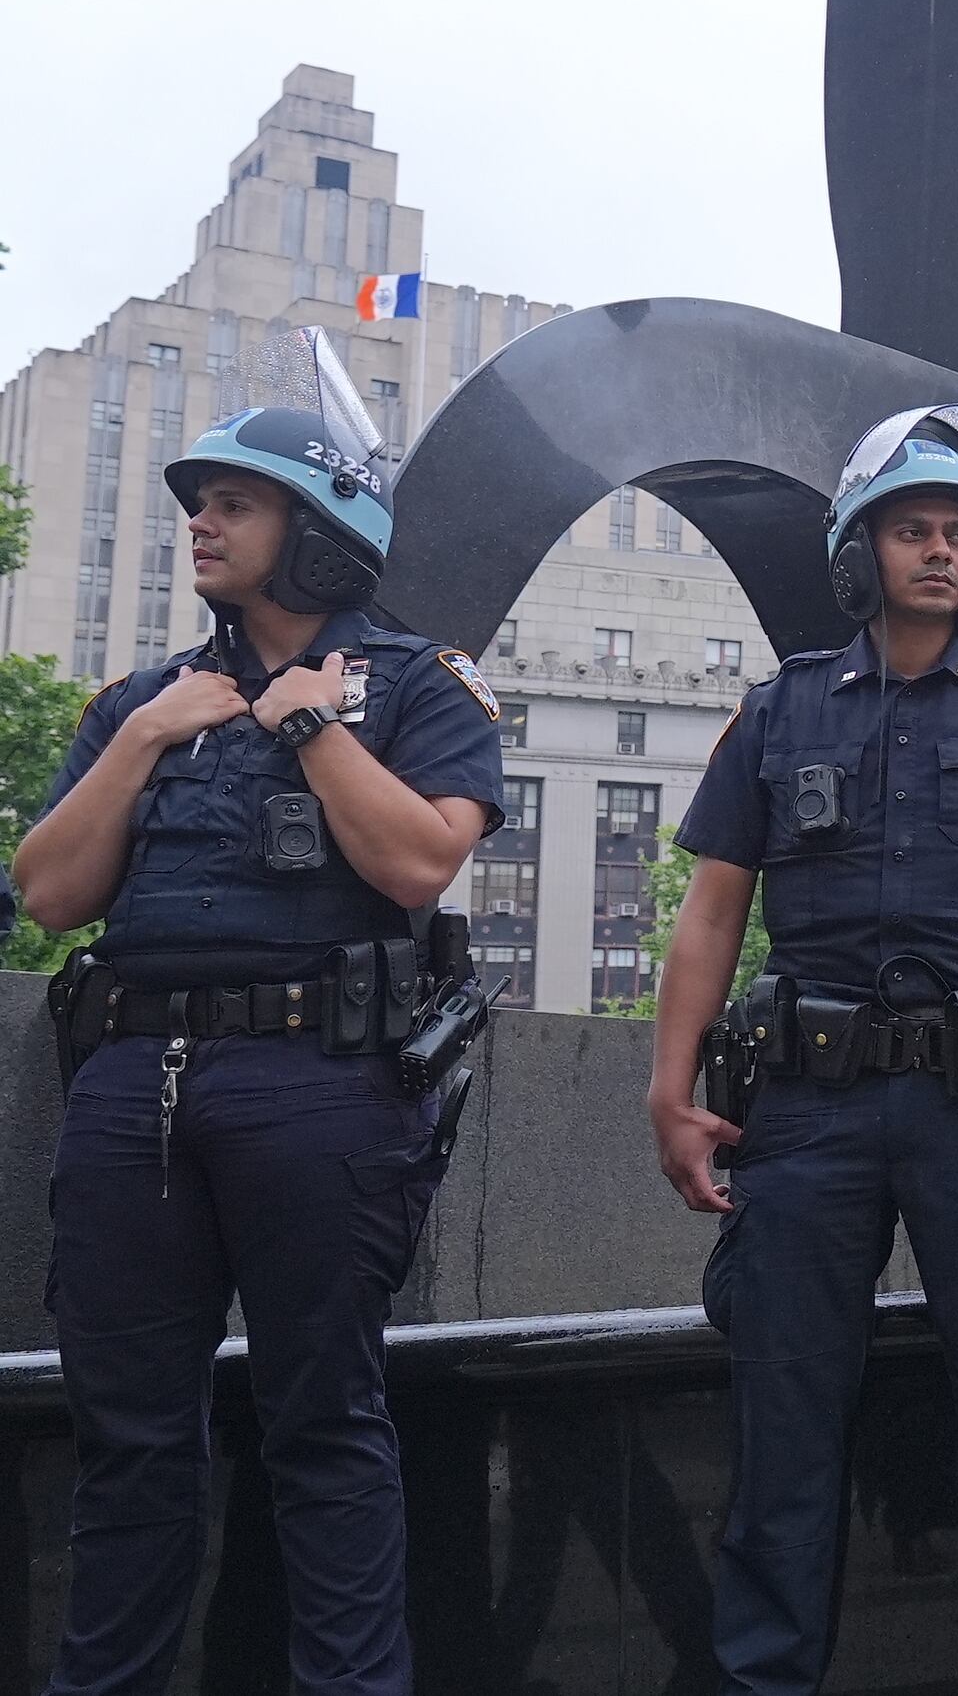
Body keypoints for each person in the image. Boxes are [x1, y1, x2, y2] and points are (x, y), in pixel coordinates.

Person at [635, 407, 958, 1696]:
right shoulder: (779, 710)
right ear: (858, 552)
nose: (939, 550)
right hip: (808, 1110)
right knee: (786, 1421)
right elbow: (713, 911)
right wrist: (670, 1090)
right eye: (912, 528)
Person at [14, 363, 503, 1696]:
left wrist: (313, 730)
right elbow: (49, 891)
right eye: (199, 502)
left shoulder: (420, 683)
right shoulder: (142, 698)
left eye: (236, 501)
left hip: (319, 1084)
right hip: (134, 1089)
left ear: (321, 529)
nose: (201, 521)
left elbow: (422, 862)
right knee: (128, 1441)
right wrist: (141, 741)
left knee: (325, 1428)